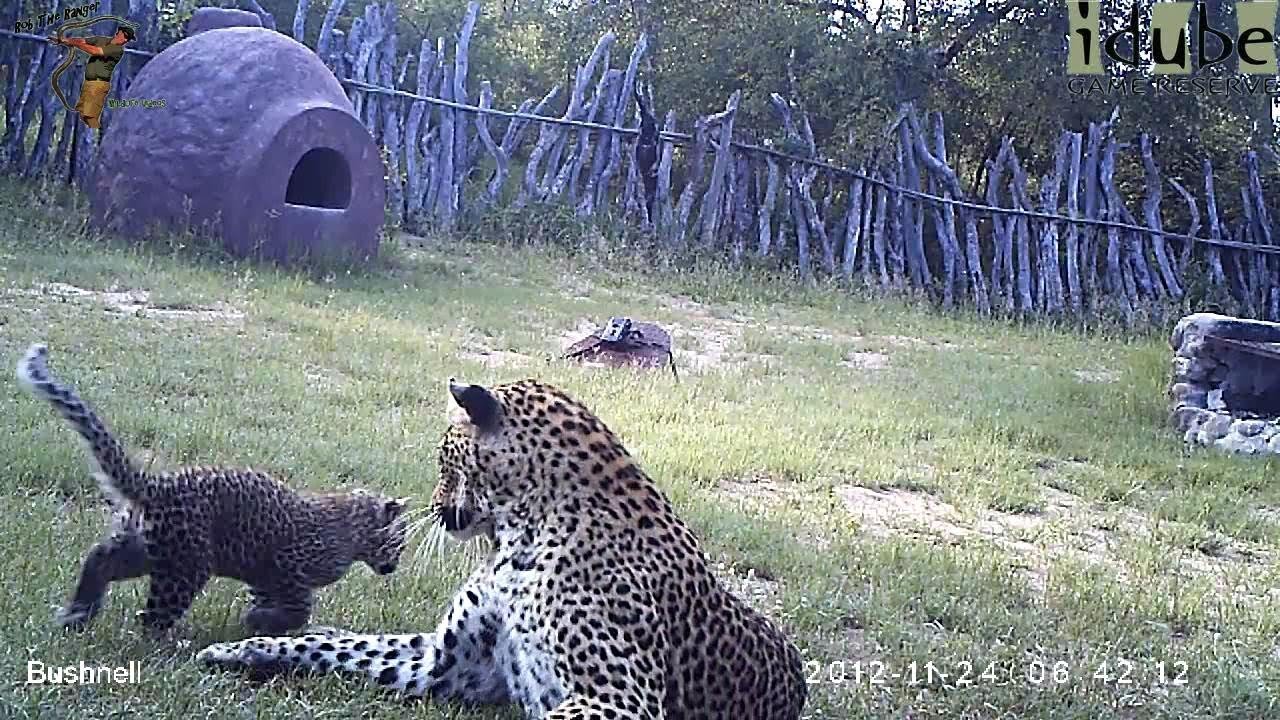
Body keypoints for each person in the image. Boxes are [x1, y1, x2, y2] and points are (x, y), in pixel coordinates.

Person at [48, 25, 134, 130]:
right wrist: (63, 40)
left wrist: (78, 44)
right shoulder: (102, 40)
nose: (125, 40)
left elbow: (96, 51)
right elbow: (83, 40)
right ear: (119, 33)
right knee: (82, 113)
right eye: (125, 37)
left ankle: (91, 141)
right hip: (90, 81)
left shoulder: (117, 50)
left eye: (127, 39)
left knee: (90, 117)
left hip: (99, 83)